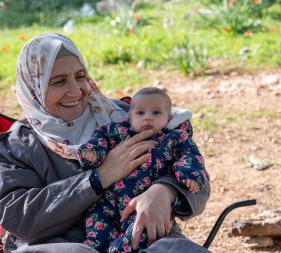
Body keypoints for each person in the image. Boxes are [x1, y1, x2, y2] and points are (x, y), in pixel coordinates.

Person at [0, 33, 210, 253]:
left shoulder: (125, 116)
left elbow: (195, 174)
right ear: (34, 87)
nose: (75, 91)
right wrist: (98, 178)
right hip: (61, 245)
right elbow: (18, 218)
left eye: (80, 76)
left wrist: (165, 190)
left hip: (142, 238)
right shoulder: (16, 145)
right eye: (58, 81)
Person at [79, 87, 206, 252]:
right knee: (97, 230)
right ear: (130, 117)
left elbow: (190, 155)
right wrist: (92, 153)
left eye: (156, 113)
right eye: (140, 113)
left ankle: (121, 250)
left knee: (139, 234)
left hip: (144, 205)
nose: (148, 117)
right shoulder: (115, 132)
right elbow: (99, 140)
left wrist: (189, 174)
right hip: (108, 200)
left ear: (168, 118)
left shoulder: (173, 138)